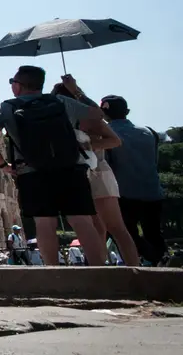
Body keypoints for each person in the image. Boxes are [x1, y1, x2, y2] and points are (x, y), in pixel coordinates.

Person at [0, 65, 110, 267]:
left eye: (13, 82)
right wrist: (76, 90)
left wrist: (3, 165)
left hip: (32, 172)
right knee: (82, 222)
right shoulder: (61, 101)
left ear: (18, 86)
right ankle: (101, 272)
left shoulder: (7, 107)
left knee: (45, 224)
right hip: (70, 168)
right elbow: (99, 115)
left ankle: (52, 274)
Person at [53, 77, 140, 266]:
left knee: (115, 227)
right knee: (94, 228)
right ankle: (98, 269)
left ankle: (136, 270)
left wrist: (86, 144)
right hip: (76, 173)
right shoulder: (59, 121)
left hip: (97, 171)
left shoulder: (89, 118)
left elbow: (115, 141)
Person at [100, 95, 167, 266]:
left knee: (124, 232)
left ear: (103, 113)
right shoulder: (149, 132)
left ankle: (148, 258)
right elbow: (155, 161)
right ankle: (160, 259)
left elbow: (108, 163)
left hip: (124, 192)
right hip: (152, 190)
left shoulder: (106, 135)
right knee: (153, 232)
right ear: (127, 111)